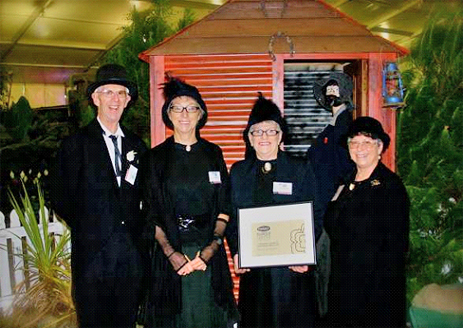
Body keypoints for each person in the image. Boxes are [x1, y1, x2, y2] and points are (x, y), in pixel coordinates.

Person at [50, 64, 148, 327]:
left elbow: (145, 197)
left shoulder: (137, 146)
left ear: (127, 101)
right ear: (96, 98)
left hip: (129, 258)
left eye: (121, 93)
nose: (114, 100)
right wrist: (90, 226)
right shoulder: (75, 144)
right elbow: (60, 196)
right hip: (92, 256)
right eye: (108, 92)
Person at [140, 77, 238, 328]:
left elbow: (225, 207)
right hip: (170, 253)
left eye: (191, 107)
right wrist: (172, 253)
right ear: (168, 114)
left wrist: (211, 249)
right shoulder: (154, 158)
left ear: (201, 114)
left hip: (207, 253)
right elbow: (150, 213)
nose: (184, 114)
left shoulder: (213, 153)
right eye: (177, 107)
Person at [227, 93, 323, 328]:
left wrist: (305, 254)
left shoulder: (300, 169)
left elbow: (317, 213)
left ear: (281, 136)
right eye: (257, 131)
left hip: (291, 271)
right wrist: (238, 251)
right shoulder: (239, 172)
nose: (264, 137)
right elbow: (230, 216)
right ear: (249, 139)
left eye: (271, 130)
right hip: (255, 272)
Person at [323, 116, 410, 327]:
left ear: (380, 147)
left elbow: (396, 248)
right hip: (343, 287)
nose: (359, 148)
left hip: (376, 294)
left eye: (367, 142)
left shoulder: (390, 186)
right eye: (354, 142)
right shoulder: (345, 181)